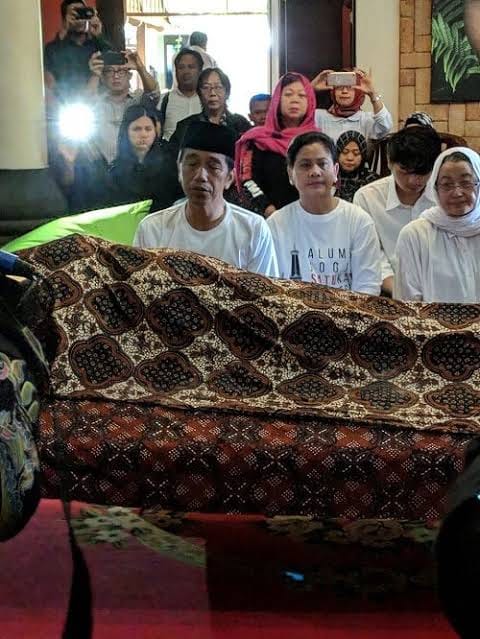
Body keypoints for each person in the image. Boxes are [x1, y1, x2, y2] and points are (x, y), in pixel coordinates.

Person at [134, 121, 279, 278]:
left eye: (213, 167)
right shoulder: (152, 229)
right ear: (179, 169)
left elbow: (264, 292)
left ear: (229, 178)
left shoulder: (253, 230)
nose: (201, 176)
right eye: (192, 164)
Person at [267, 131, 382, 294]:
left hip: (348, 309)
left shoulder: (359, 221)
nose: (315, 172)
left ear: (335, 171)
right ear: (290, 174)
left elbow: (368, 286)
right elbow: (270, 285)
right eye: (305, 165)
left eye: (322, 164)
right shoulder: (275, 225)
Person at [353, 126, 442, 295]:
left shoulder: (445, 197)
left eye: (422, 172)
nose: (413, 180)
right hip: (388, 290)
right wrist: (400, 292)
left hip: (439, 289)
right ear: (389, 161)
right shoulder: (367, 198)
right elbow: (371, 255)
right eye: (404, 171)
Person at [394, 147, 480, 303]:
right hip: (431, 320)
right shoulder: (415, 235)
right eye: (447, 185)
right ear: (435, 189)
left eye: (466, 183)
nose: (457, 192)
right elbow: (406, 305)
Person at [235, 73, 318, 217]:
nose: (295, 100)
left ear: (310, 101)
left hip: (311, 218)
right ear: (277, 100)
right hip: (266, 220)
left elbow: (328, 181)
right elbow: (247, 181)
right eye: (288, 94)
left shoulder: (318, 141)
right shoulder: (257, 140)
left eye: (302, 95)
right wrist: (270, 211)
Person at [85, 50, 159, 163]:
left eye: (121, 71)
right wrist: (95, 74)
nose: (116, 76)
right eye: (109, 71)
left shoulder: (138, 100)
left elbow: (154, 93)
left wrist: (140, 68)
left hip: (135, 167)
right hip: (101, 166)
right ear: (102, 77)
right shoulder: (97, 102)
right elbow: (85, 105)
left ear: (129, 76)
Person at [108, 105, 183, 211]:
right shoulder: (114, 170)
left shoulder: (170, 165)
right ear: (126, 132)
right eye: (137, 129)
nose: (143, 134)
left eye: (148, 129)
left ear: (155, 132)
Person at [169, 68, 251, 150]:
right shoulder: (186, 126)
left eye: (218, 87)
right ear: (199, 93)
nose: (212, 93)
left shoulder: (240, 124)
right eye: (206, 87)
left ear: (227, 92)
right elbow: (171, 155)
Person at [44, 0, 109, 101]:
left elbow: (112, 62)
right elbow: (51, 84)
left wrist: (98, 35)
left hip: (96, 103)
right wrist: (65, 28)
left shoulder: (96, 44)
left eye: (82, 13)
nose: (79, 19)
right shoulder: (53, 48)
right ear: (65, 18)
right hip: (66, 103)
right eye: (74, 14)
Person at [311, 68, 393, 142]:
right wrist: (311, 88)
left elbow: (386, 127)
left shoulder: (366, 119)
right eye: (339, 87)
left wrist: (372, 94)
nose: (344, 91)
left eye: (350, 87)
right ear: (333, 92)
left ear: (358, 92)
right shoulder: (319, 117)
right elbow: (302, 119)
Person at [158, 48, 203, 141]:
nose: (186, 71)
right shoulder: (163, 100)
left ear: (200, 71)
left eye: (191, 67)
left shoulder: (207, 100)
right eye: (181, 67)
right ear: (175, 71)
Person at [335, 130, 380, 202]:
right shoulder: (330, 177)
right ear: (337, 153)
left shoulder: (372, 180)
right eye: (344, 152)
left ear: (363, 155)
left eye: (356, 153)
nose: (350, 158)